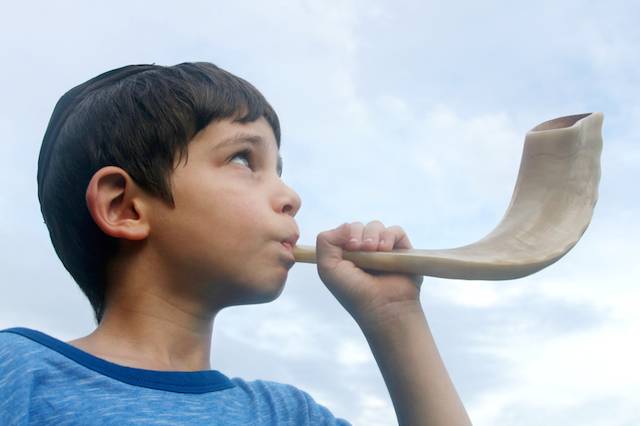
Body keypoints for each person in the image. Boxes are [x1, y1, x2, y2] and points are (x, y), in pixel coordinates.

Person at [0, 63, 471, 425]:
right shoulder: (17, 372)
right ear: (126, 207)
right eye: (245, 160)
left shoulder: (285, 414)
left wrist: (395, 317)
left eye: (280, 170)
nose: (290, 197)